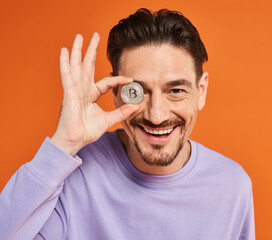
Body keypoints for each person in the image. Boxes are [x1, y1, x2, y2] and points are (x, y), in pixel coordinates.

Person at [0, 8, 255, 240]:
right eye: (137, 91)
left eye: (175, 90)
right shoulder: (75, 176)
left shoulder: (232, 186)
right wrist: (64, 144)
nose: (156, 115)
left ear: (201, 91)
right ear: (116, 93)